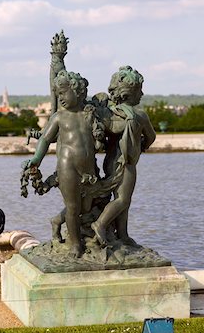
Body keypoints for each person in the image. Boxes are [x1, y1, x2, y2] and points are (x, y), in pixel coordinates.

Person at [22, 70, 99, 258]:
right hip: (68, 167)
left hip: (89, 169)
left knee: (86, 207)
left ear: (78, 91)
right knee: (73, 208)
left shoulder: (89, 114)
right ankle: (75, 245)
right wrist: (36, 160)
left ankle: (57, 221)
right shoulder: (59, 117)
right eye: (58, 94)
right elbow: (45, 140)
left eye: (63, 93)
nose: (60, 97)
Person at [91, 66, 156, 247]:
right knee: (123, 199)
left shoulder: (109, 114)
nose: (142, 94)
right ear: (129, 94)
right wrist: (141, 146)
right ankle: (100, 224)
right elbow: (151, 136)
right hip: (127, 163)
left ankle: (123, 234)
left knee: (122, 198)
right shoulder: (140, 115)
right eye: (139, 90)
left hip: (110, 161)